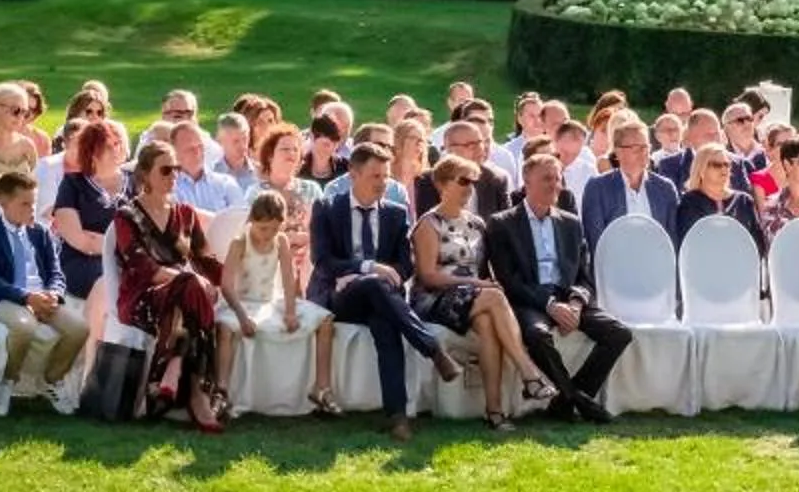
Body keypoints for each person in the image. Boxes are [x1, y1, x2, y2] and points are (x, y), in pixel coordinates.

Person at [307, 142, 462, 439]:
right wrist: (366, 267)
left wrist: (386, 277)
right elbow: (322, 260)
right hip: (340, 296)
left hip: (381, 297)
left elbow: (405, 266)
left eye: (386, 176)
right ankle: (432, 349)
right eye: (375, 176)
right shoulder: (327, 208)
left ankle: (398, 416)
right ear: (353, 174)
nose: (382, 183)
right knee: (373, 283)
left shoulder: (395, 213)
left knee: (385, 322)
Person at [411, 156, 558, 430]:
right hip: (434, 298)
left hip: (472, 297)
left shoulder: (477, 223)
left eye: (473, 182)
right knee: (493, 297)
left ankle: (495, 412)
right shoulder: (428, 224)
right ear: (442, 184)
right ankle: (529, 373)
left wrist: (482, 285)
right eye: (463, 181)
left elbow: (485, 269)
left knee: (488, 323)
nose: (470, 188)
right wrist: (478, 284)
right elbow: (428, 276)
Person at [483, 151, 630, 424]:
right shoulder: (503, 223)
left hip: (567, 296)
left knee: (619, 333)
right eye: (547, 179)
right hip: (530, 300)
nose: (555, 185)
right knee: (537, 335)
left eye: (558, 178)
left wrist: (575, 303)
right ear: (527, 182)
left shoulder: (571, 223)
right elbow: (509, 280)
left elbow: (585, 276)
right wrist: (549, 305)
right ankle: (579, 401)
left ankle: (565, 401)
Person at [112, 143, 227, 431]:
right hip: (142, 297)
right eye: (165, 170)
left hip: (184, 298)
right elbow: (144, 269)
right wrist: (192, 280)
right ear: (145, 174)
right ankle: (198, 394)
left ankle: (170, 372)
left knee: (188, 299)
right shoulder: (127, 216)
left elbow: (207, 260)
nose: (174, 175)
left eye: (176, 169)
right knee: (189, 285)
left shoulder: (185, 214)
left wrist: (236, 277)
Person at [0, 169, 87, 399]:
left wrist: (53, 294)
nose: (32, 209)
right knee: (25, 327)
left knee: (79, 328)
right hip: (7, 299)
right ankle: (9, 381)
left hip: (42, 297)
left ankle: (50, 380)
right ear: (4, 203)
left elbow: (56, 272)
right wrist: (26, 298)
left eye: (34, 203)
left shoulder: (41, 232)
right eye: (25, 204)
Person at [213, 189, 315, 413]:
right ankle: (221, 389)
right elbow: (227, 285)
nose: (268, 234)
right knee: (226, 329)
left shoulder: (281, 241)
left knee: (318, 320)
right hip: (241, 302)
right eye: (263, 228)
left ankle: (315, 390)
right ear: (252, 220)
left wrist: (290, 311)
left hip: (270, 301)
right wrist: (242, 317)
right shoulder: (240, 242)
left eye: (274, 229)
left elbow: (288, 278)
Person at [48, 118, 127, 334]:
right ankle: (91, 347)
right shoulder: (73, 185)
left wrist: (105, 243)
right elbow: (79, 240)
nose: (116, 149)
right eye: (108, 146)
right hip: (82, 262)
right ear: (92, 152)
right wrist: (123, 245)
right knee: (107, 280)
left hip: (129, 259)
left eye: (118, 143)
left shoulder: (136, 182)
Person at [579, 117, 684, 248]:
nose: (643, 153)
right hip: (613, 259)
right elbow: (595, 241)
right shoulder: (598, 188)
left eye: (645, 147)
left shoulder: (665, 189)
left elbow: (672, 241)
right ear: (618, 152)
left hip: (657, 259)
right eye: (636, 148)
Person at [675, 144, 767, 249]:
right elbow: (686, 243)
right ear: (701, 169)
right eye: (716, 165)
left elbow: (757, 243)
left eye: (727, 164)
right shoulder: (689, 202)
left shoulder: (744, 201)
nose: (724, 169)